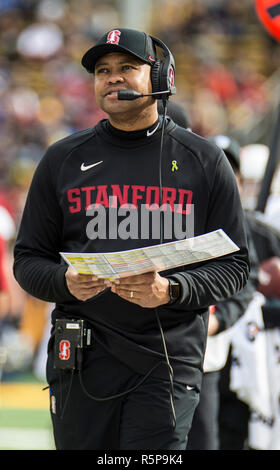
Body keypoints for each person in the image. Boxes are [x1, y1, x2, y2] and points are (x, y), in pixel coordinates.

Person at [13, 28, 249, 450]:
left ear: (162, 78)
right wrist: (64, 282)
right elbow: (28, 260)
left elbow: (235, 267)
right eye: (103, 71)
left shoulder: (204, 160)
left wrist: (172, 288)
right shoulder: (62, 159)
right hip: (82, 360)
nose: (112, 78)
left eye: (127, 68)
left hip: (166, 363)